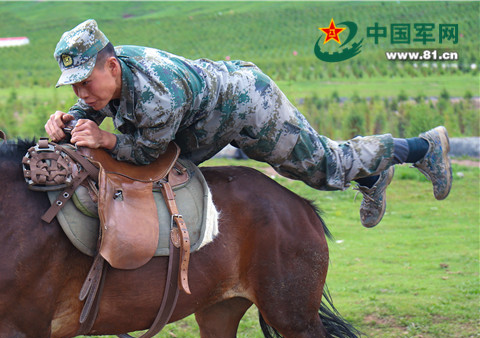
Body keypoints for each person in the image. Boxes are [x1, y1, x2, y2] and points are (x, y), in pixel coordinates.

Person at [45, 19, 452, 228]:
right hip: (209, 116)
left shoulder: (157, 95)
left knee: (328, 167)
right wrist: (70, 121)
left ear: (112, 66)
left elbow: (150, 154)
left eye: (85, 82)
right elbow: (96, 105)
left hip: (249, 106)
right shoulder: (111, 73)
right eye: (73, 86)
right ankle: (372, 177)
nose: (80, 92)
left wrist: (105, 139)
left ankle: (423, 147)